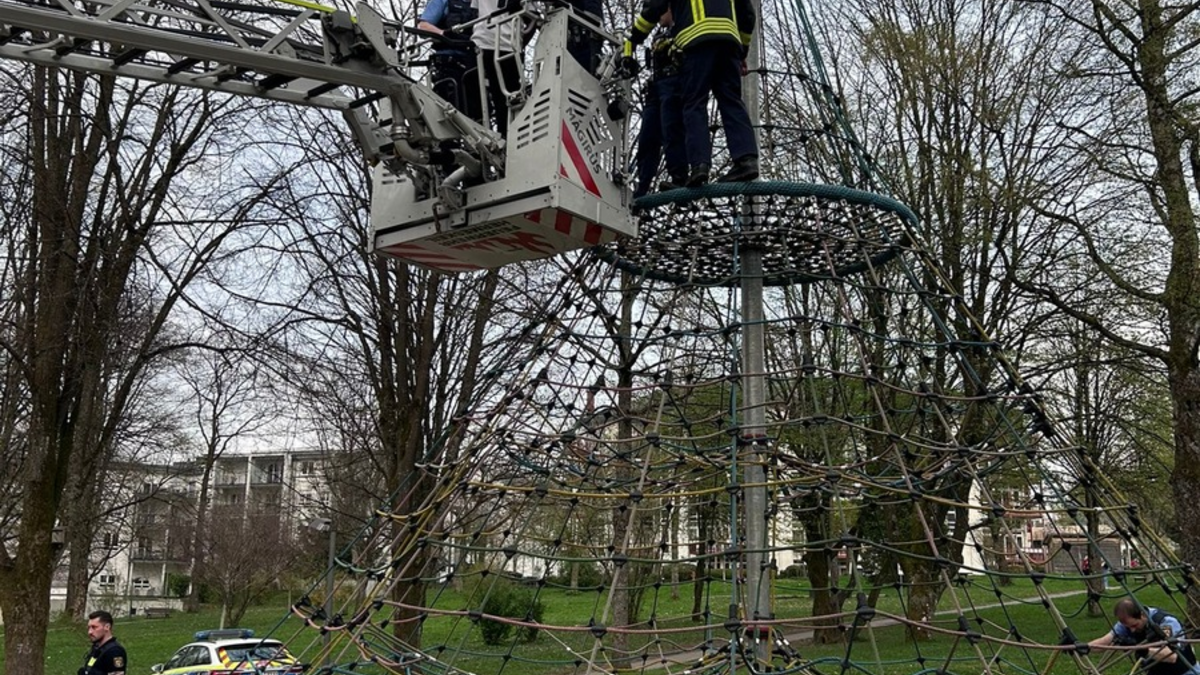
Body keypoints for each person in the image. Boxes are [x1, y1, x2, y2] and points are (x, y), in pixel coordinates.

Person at [624, 0, 759, 187]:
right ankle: (746, 160)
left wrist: (633, 39)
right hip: (729, 43)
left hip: (697, 43)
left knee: (694, 103)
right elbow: (747, 14)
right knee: (731, 101)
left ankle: (699, 166)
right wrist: (742, 50)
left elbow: (656, 5)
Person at [632, 14, 686, 196]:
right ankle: (642, 186)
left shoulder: (683, 27)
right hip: (655, 88)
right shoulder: (659, 34)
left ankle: (679, 178)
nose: (659, 17)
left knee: (672, 130)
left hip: (674, 84)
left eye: (662, 12)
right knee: (647, 138)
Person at [1088, 599, 1198, 675]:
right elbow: (1104, 643)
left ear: (1142, 615)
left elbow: (1171, 656)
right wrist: (1083, 647)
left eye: (1134, 625)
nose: (1132, 630)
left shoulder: (1165, 622)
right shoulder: (1127, 624)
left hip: (1183, 671)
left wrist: (1141, 649)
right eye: (1128, 627)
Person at [417, 0, 482, 121]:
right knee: (454, 106)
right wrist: (444, 34)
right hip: (450, 62)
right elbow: (423, 26)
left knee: (477, 110)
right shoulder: (443, 1)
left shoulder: (479, 4)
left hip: (474, 62)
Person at [472, 0, 525, 137]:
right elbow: (531, 15)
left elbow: (475, 11)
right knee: (503, 98)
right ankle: (504, 136)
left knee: (502, 98)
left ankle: (504, 136)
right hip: (501, 43)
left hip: (488, 41)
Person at [80, 610, 127, 675]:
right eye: (89, 628)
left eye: (94, 627)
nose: (90, 632)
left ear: (107, 627)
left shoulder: (115, 651)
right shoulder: (97, 649)